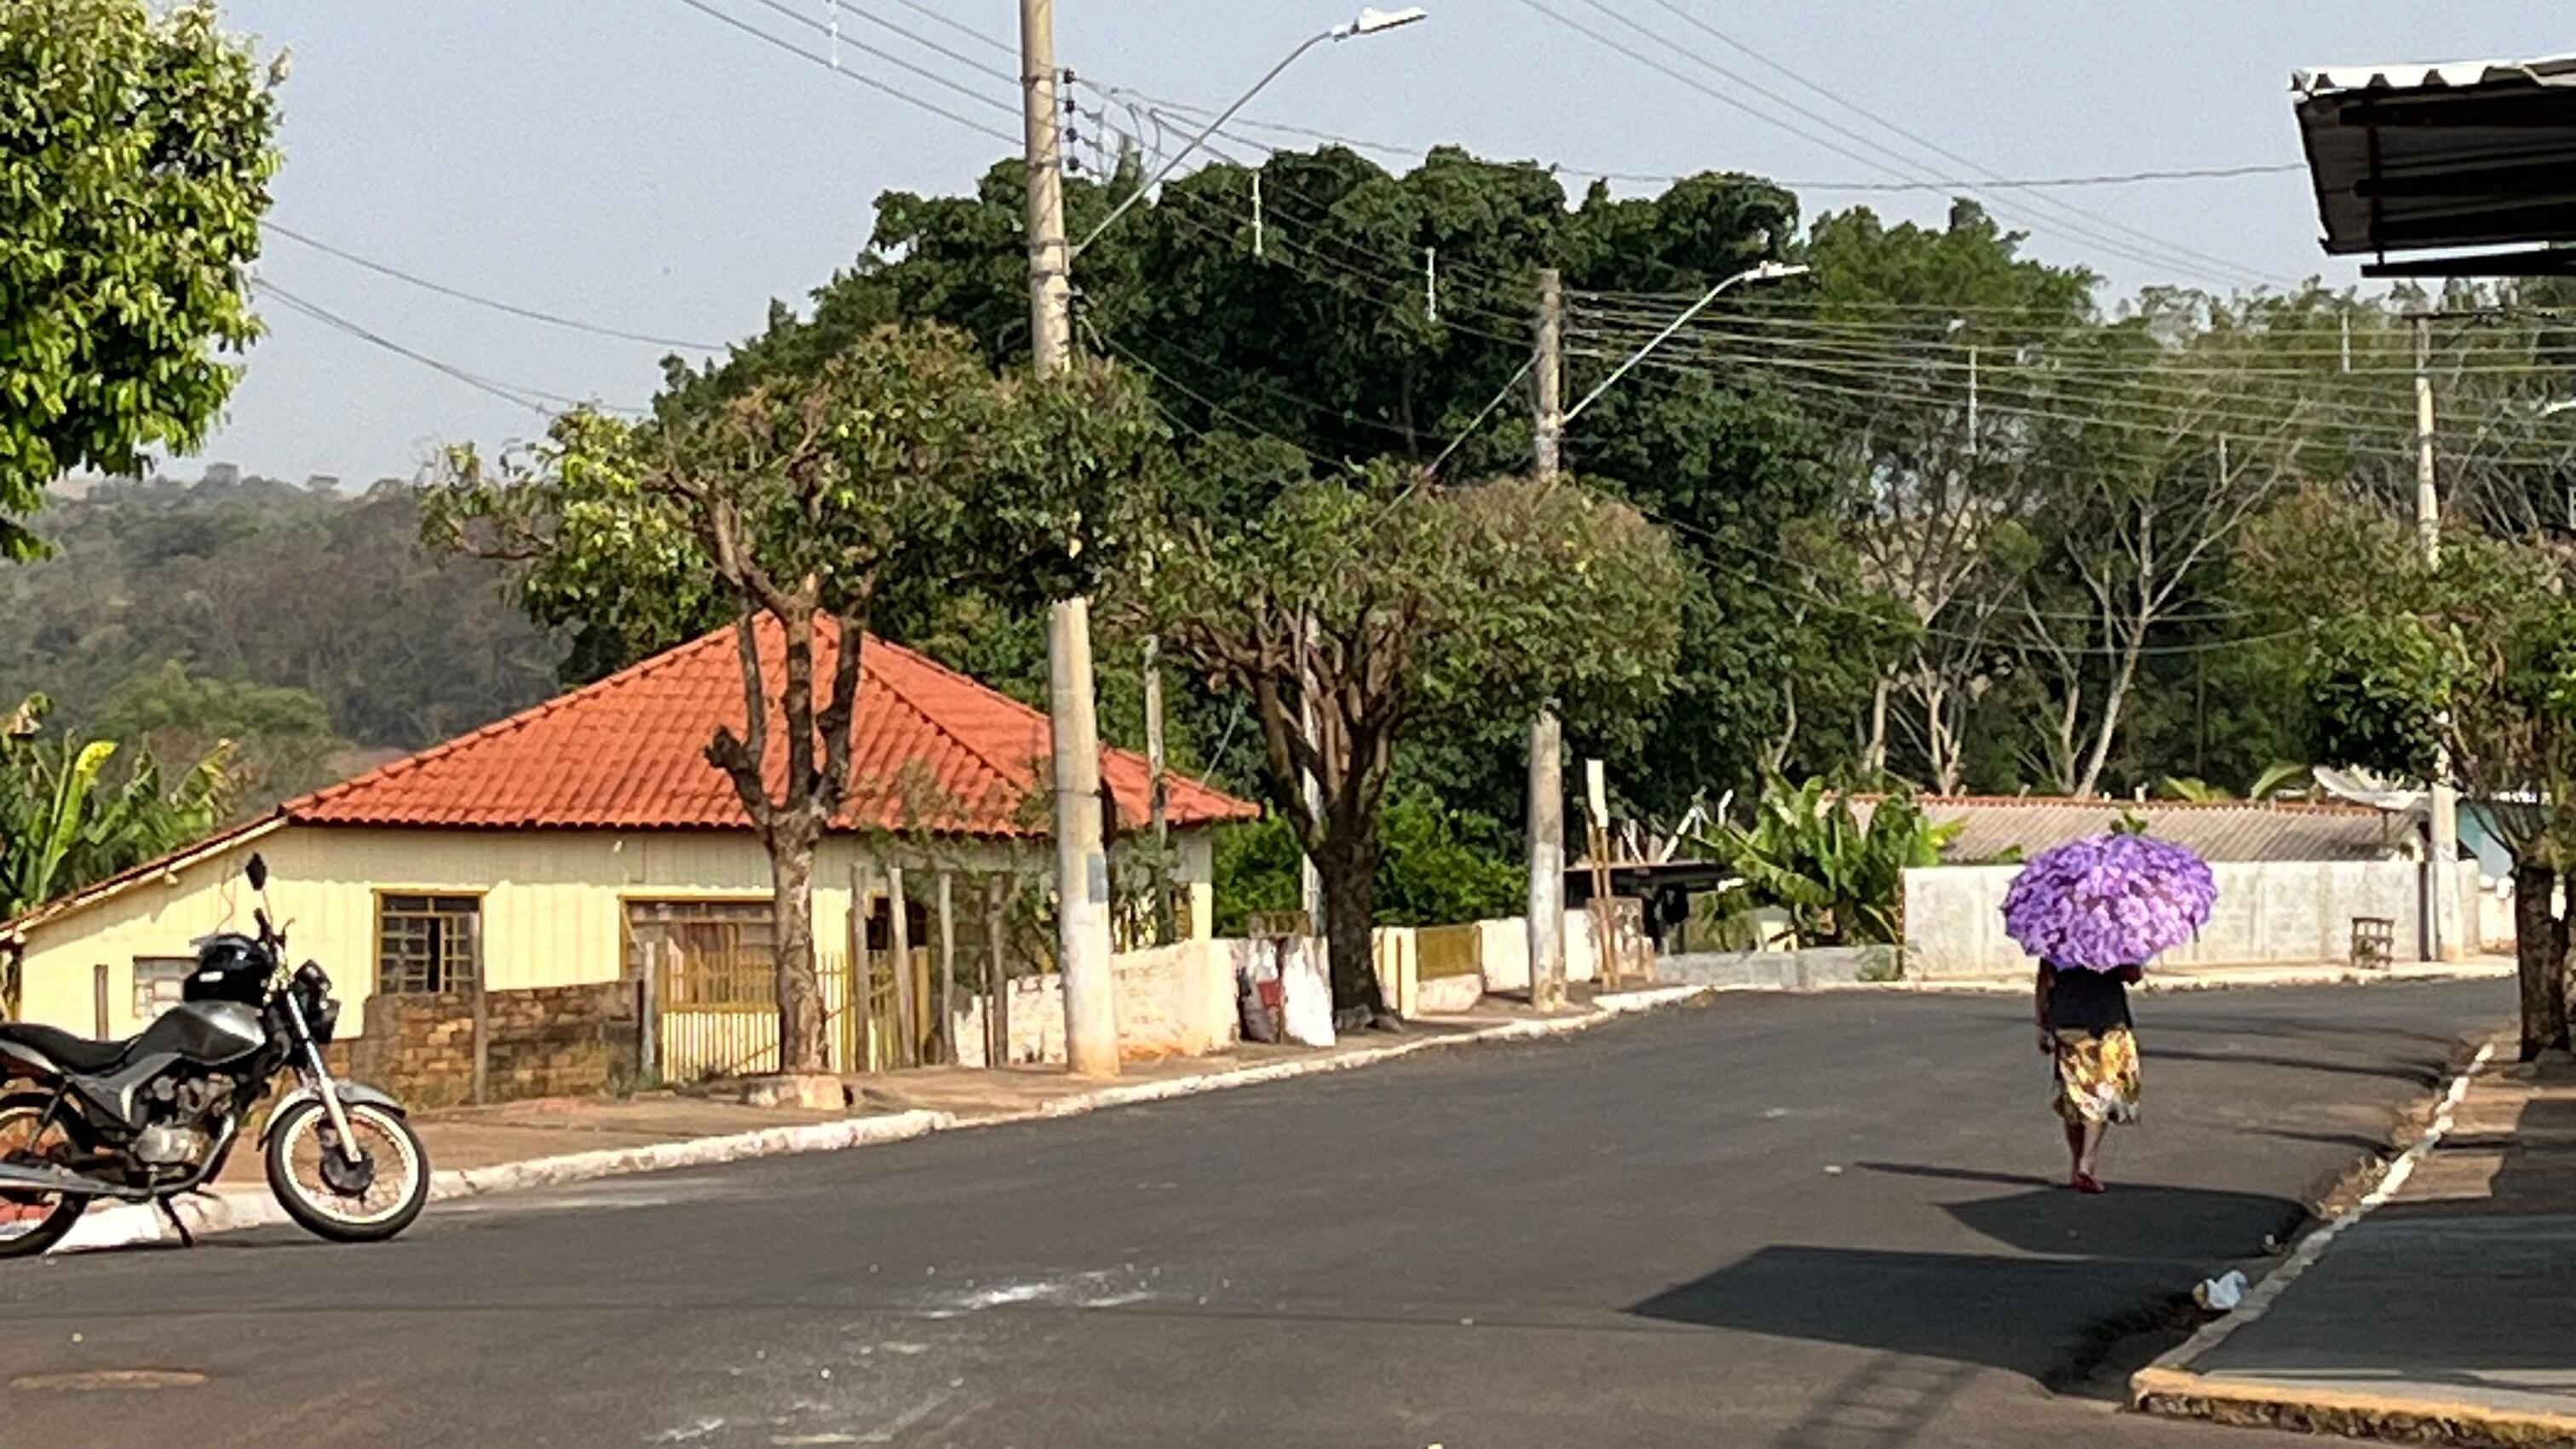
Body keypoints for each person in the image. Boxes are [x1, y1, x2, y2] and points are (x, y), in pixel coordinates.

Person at [2035, 960, 2143, 1193]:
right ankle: (2086, 1162)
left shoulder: (2057, 933)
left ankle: (2079, 1163)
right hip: (2108, 1022)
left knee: (2076, 1097)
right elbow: (2134, 976)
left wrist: (2042, 1023)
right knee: (2100, 1094)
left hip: (2069, 1021)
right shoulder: (2116, 937)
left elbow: (2044, 979)